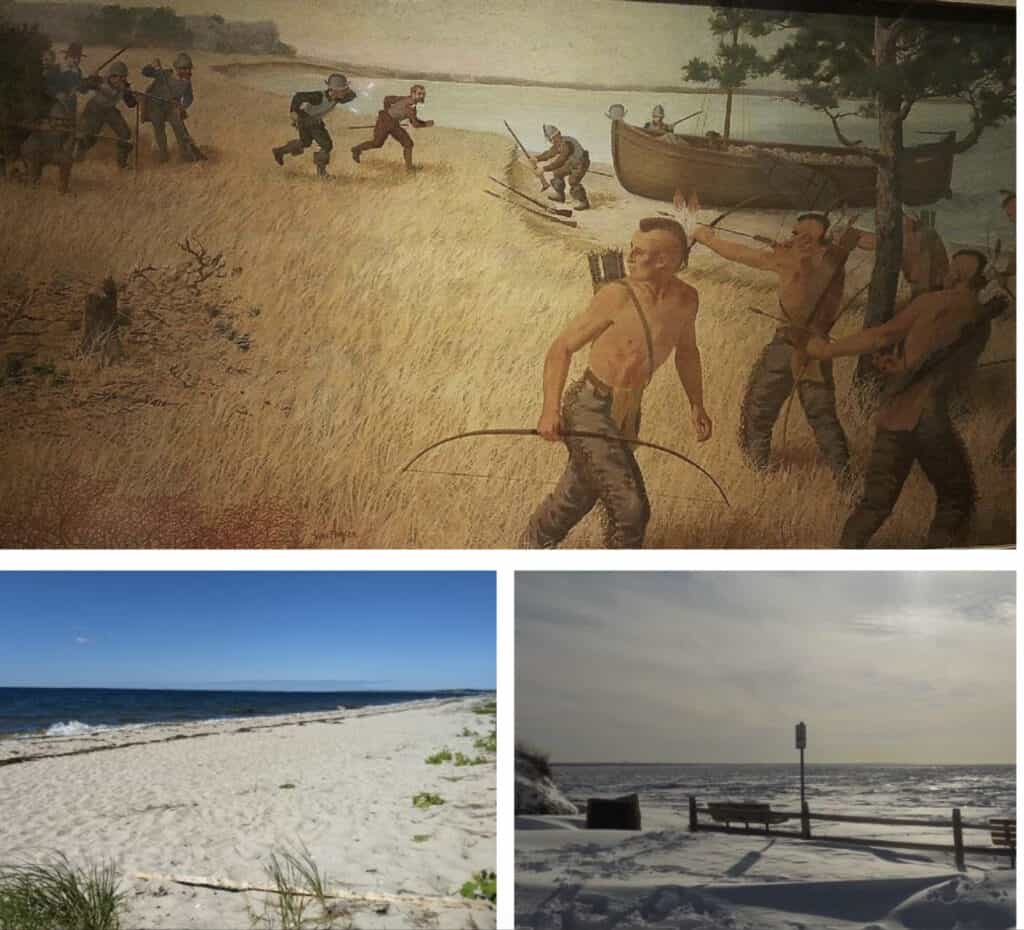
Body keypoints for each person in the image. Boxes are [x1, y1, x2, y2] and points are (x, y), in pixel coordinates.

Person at [522, 218, 712, 548]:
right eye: (631, 250)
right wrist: (550, 410)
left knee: (580, 491)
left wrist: (696, 403)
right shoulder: (615, 296)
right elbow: (561, 348)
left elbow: (687, 352)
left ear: (664, 260)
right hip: (589, 407)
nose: (629, 257)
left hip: (629, 410)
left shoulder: (687, 300)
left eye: (638, 253)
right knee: (631, 508)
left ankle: (532, 544)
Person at [801, 250, 997, 547]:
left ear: (958, 274)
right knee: (956, 498)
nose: (944, 269)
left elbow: (883, 336)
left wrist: (825, 350)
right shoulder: (979, 317)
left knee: (876, 502)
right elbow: (946, 364)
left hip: (897, 415)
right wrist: (902, 367)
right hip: (928, 416)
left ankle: (845, 555)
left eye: (951, 266)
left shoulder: (934, 302)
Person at [692, 212, 860, 479]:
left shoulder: (795, 260)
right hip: (812, 345)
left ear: (816, 239)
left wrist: (705, 238)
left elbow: (739, 253)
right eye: (795, 234)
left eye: (802, 235)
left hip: (795, 346)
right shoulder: (834, 257)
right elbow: (857, 237)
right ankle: (842, 477)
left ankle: (760, 469)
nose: (795, 238)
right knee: (809, 414)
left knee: (766, 408)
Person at [273, 73, 356, 177]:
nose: (345, 92)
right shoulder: (318, 96)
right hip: (308, 120)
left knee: (305, 142)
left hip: (309, 121)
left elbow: (352, 96)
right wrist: (293, 111)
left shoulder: (337, 98)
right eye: (343, 90)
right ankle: (322, 173)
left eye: (345, 89)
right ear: (334, 90)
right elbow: (298, 96)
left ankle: (279, 151)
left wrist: (346, 91)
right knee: (326, 145)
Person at [856, 213, 949, 297]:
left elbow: (875, 242)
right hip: (931, 285)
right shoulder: (920, 233)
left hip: (929, 288)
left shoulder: (914, 238)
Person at [351, 84, 433, 172]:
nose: (422, 96)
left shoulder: (404, 99)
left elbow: (387, 99)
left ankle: (409, 169)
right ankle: (356, 149)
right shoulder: (410, 108)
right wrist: (426, 124)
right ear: (412, 94)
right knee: (377, 143)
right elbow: (415, 124)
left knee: (408, 143)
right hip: (386, 121)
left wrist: (390, 112)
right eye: (419, 94)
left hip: (393, 123)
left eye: (423, 94)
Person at [140, 52, 202, 163]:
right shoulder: (165, 74)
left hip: (172, 108)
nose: (188, 71)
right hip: (155, 106)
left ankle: (186, 155)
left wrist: (182, 107)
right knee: (159, 130)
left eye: (189, 68)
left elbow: (189, 98)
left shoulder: (186, 82)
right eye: (184, 68)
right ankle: (163, 156)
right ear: (177, 68)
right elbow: (145, 72)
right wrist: (153, 66)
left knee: (180, 130)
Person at [74, 60, 136, 168]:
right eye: (118, 77)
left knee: (125, 134)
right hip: (95, 109)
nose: (121, 80)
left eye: (124, 77)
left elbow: (131, 104)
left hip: (110, 110)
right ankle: (78, 156)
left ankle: (122, 164)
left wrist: (131, 95)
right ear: (111, 76)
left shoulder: (124, 86)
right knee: (90, 136)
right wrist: (90, 78)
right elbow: (81, 88)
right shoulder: (100, 81)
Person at [532, 124, 590, 210]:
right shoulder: (558, 143)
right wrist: (537, 158)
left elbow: (560, 161)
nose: (552, 141)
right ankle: (560, 196)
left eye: (552, 139)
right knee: (557, 173)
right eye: (551, 140)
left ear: (557, 135)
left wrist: (544, 169)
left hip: (581, 162)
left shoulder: (566, 143)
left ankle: (583, 202)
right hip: (571, 162)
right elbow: (550, 153)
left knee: (573, 180)